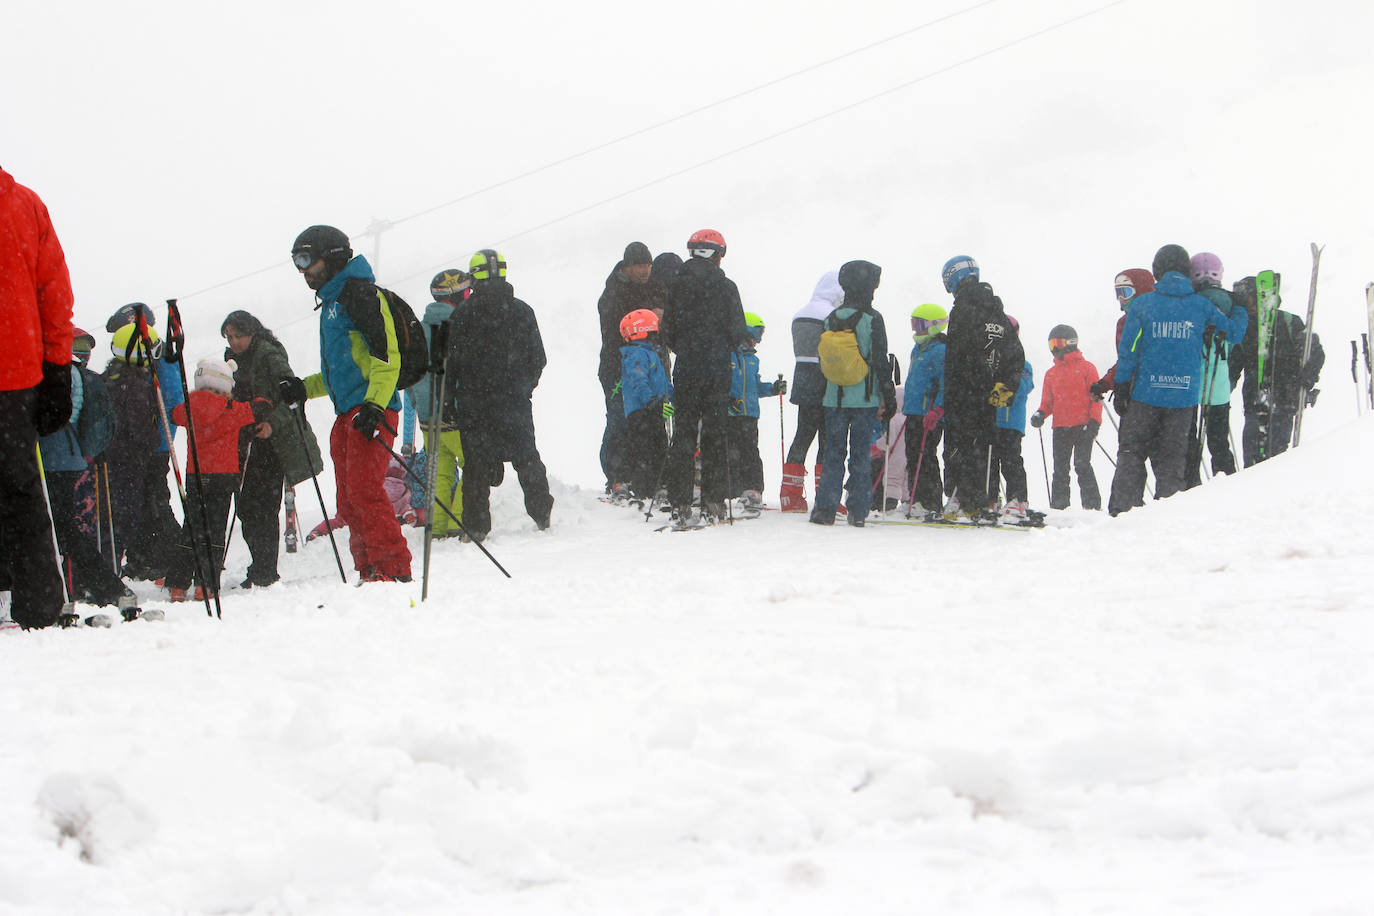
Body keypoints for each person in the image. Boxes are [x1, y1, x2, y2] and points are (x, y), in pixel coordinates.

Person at [278, 225, 412, 582]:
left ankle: (393, 569)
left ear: (332, 256)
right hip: (348, 413)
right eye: (297, 262)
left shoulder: (361, 296)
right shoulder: (333, 303)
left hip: (371, 410)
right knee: (349, 500)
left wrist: (375, 407)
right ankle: (368, 569)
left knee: (366, 491)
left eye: (307, 259)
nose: (303, 270)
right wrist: (304, 388)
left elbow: (387, 358)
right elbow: (341, 372)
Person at [1107, 244, 1249, 516]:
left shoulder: (1143, 305)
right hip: (1182, 398)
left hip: (1144, 396)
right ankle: (1167, 514)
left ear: (1156, 271)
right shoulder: (1201, 306)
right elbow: (1233, 333)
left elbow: (1129, 351)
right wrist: (1240, 308)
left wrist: (1122, 386)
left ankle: (1123, 513)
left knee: (1132, 453)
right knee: (1172, 459)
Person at [0, 166, 74, 629]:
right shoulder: (23, 203)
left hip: (17, 369)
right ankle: (39, 603)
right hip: (16, 372)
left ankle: (39, 601)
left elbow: (52, 289)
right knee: (20, 487)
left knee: (20, 488)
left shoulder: (23, 203)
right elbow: (54, 291)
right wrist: (56, 368)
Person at [445, 249, 554, 541]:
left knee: (476, 469)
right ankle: (542, 514)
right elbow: (538, 359)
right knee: (527, 458)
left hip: (474, 404)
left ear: (473, 277)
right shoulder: (522, 311)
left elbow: (450, 366)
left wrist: (449, 403)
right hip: (514, 403)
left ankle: (476, 527)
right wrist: (523, 387)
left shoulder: (461, 315)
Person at [220, 310, 323, 587]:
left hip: (272, 443)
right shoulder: (235, 359)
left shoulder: (269, 356)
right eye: (229, 337)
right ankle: (260, 568)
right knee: (247, 507)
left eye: (238, 335)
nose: (234, 341)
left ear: (252, 332)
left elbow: (292, 397)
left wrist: (271, 425)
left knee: (261, 508)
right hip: (250, 440)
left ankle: (265, 571)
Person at [660, 229, 752, 523]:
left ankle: (680, 503)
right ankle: (713, 502)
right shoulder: (726, 287)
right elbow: (738, 332)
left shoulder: (676, 285)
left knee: (684, 434)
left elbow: (667, 332)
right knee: (715, 434)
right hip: (716, 369)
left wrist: (687, 348)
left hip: (687, 367)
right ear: (717, 254)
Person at [38, 327, 134, 610]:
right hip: (68, 457)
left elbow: (57, 414)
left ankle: (90, 587)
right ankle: (102, 586)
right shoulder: (79, 376)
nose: (83, 352)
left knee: (57, 527)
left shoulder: (61, 374)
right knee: (64, 527)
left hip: (51, 458)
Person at [164, 359, 262, 601]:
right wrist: (262, 398)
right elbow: (259, 408)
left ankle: (178, 584)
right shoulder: (231, 408)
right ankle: (205, 585)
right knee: (215, 530)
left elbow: (171, 415)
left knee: (192, 527)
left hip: (195, 475)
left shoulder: (187, 407)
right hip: (224, 476)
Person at [939, 255, 1024, 519]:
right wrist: (1004, 387)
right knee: (984, 446)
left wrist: (956, 391)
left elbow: (958, 355)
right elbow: (1014, 353)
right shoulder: (996, 311)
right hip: (990, 395)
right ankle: (983, 498)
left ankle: (964, 498)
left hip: (964, 392)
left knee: (959, 445)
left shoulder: (963, 308)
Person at [810, 259, 893, 527]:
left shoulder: (831, 318)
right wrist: (887, 395)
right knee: (860, 454)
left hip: (834, 397)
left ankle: (825, 509)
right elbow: (880, 361)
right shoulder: (872, 319)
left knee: (833, 452)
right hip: (865, 399)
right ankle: (858, 510)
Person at [107, 303, 184, 581]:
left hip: (153, 442)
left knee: (153, 499)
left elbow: (173, 399)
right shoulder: (141, 358)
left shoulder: (158, 356)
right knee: (138, 502)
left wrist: (160, 440)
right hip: (141, 441)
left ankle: (176, 554)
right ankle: (144, 557)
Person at [1230, 273, 1326, 466]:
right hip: (1254, 403)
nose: (1247, 307)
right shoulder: (1244, 328)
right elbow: (1234, 364)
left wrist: (1308, 378)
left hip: (1284, 401)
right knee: (1253, 463)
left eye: (1248, 300)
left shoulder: (1290, 323)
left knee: (1277, 459)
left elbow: (1316, 353)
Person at [597, 242, 668, 494]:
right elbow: (615, 327)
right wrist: (650, 316)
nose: (645, 270)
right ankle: (617, 476)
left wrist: (664, 315)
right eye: (639, 265)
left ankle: (647, 477)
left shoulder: (656, 286)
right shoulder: (613, 291)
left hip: (651, 363)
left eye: (648, 265)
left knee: (650, 423)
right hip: (617, 366)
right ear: (627, 266)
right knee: (619, 419)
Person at [781, 270, 843, 513]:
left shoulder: (800, 313)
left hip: (803, 379)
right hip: (827, 381)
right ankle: (825, 496)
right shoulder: (832, 316)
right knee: (828, 440)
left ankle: (790, 495)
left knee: (803, 435)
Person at [414, 269, 469, 538]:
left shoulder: (420, 329)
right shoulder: (459, 329)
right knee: (471, 465)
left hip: (426, 417)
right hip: (454, 415)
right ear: (457, 296)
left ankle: (436, 524)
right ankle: (460, 521)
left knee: (439, 471)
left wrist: (419, 404)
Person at [1181, 252, 1240, 487]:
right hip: (1220, 386)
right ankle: (1228, 484)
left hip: (1190, 385)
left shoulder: (1189, 303)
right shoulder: (1231, 302)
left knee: (1190, 444)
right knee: (1219, 443)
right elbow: (1236, 339)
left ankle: (1191, 487)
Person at [1031, 325, 1102, 510]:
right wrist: (1041, 414)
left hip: (1083, 426)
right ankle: (1059, 507)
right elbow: (1048, 403)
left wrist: (1095, 422)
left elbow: (1096, 399)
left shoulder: (1087, 368)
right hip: (1061, 427)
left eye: (1057, 343)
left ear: (1070, 343)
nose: (1054, 349)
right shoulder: (1051, 374)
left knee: (1082, 464)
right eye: (1052, 344)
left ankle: (1092, 507)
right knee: (1060, 469)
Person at [727, 313, 785, 509]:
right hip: (731, 413)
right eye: (757, 334)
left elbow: (755, 386)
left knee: (750, 451)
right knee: (730, 451)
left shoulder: (753, 360)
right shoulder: (729, 355)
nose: (758, 340)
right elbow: (721, 382)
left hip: (750, 414)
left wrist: (773, 388)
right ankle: (732, 490)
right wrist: (727, 400)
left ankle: (753, 490)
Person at [616, 308, 674, 502]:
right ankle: (642, 489)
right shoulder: (637, 353)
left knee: (659, 446)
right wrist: (652, 401)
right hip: (642, 411)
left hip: (654, 410)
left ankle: (658, 486)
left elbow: (663, 383)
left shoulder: (651, 353)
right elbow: (638, 380)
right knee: (643, 449)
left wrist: (674, 396)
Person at [901, 303, 948, 516]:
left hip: (929, 413)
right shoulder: (917, 349)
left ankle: (931, 502)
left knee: (926, 456)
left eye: (919, 324)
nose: (915, 329)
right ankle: (915, 498)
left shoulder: (940, 350)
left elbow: (945, 383)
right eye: (914, 323)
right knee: (912, 455)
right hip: (913, 411)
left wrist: (938, 409)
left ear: (934, 326)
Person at [991, 323, 1034, 518]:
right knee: (990, 461)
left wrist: (1002, 391)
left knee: (1011, 460)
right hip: (992, 421)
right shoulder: (992, 359)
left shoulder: (1022, 363)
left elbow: (1024, 386)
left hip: (1011, 421)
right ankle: (990, 498)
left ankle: (1018, 500)